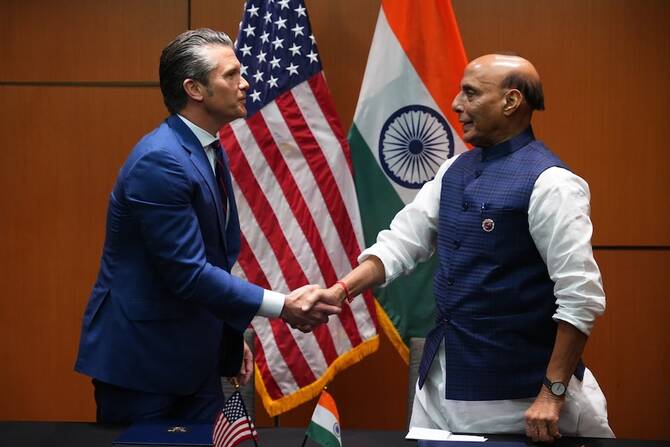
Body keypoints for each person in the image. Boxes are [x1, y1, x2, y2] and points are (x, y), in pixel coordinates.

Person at [308, 54, 614, 443]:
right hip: (441, 393)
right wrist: (341, 290)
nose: (455, 104)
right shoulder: (452, 170)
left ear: (511, 101)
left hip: (524, 401)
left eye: (470, 93)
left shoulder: (553, 183)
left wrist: (552, 393)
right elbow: (401, 242)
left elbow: (580, 296)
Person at [74, 28, 340, 424]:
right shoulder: (160, 161)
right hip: (144, 364)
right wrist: (283, 306)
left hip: (194, 358)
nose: (245, 83)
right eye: (231, 75)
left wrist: (226, 338)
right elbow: (188, 273)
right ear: (195, 89)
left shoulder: (206, 148)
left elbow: (214, 258)